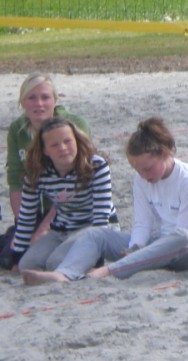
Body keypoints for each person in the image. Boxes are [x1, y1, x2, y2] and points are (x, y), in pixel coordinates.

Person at [22, 117, 188, 283]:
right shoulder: (141, 179)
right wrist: (135, 247)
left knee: (181, 237)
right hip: (159, 241)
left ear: (165, 154)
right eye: (138, 170)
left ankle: (110, 271)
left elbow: (184, 233)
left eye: (147, 168)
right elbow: (142, 222)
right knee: (97, 234)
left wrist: (138, 255)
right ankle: (65, 273)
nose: (143, 175)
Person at [12, 118, 117, 278]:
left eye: (68, 141)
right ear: (45, 150)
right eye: (54, 145)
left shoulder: (95, 165)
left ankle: (84, 270)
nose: (63, 148)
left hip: (93, 228)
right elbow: (27, 216)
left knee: (56, 262)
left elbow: (101, 214)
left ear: (77, 140)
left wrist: (97, 255)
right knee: (27, 264)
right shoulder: (37, 172)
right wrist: (17, 256)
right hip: (61, 228)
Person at [6, 74, 91, 222]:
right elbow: (15, 180)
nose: (39, 104)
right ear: (22, 102)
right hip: (32, 210)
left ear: (55, 101)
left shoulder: (75, 125)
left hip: (72, 212)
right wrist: (23, 224)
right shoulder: (17, 129)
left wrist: (42, 230)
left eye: (45, 97)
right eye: (31, 98)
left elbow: (77, 180)